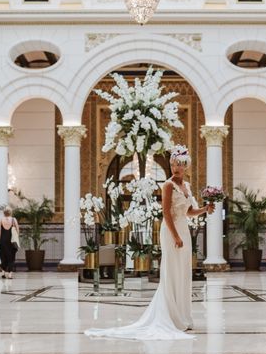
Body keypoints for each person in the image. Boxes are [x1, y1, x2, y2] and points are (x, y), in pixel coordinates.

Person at [85, 145, 214, 340]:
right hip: (171, 232)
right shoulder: (168, 185)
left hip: (184, 231)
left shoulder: (186, 186)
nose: (176, 168)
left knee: (183, 273)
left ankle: (183, 317)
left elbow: (188, 212)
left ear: (186, 166)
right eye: (173, 165)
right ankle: (172, 317)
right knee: (171, 272)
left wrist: (205, 209)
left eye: (179, 165)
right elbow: (166, 214)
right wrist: (175, 236)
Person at [0, 208, 19, 279]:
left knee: (3, 257)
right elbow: (18, 230)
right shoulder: (13, 219)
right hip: (11, 242)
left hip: (3, 241)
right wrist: (16, 238)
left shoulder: (1, 220)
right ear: (11, 213)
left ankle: (3, 273)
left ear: (4, 213)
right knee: (11, 258)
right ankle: (10, 274)